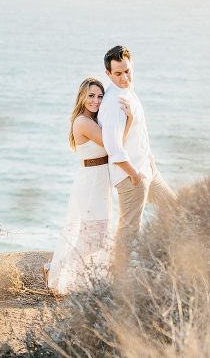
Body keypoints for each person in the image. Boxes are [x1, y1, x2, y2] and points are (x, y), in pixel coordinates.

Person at [46, 77, 134, 294]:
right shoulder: (83, 122)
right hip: (91, 182)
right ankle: (55, 271)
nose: (96, 101)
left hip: (99, 180)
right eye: (91, 96)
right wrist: (130, 120)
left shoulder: (95, 121)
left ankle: (57, 271)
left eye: (100, 96)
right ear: (82, 97)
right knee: (95, 237)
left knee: (95, 234)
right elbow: (114, 145)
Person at [97, 45, 178, 273]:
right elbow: (113, 146)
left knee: (176, 210)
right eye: (118, 73)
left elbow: (137, 135)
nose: (125, 77)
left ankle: (169, 264)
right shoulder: (114, 102)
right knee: (129, 231)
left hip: (147, 169)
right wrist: (134, 174)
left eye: (128, 71)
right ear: (108, 74)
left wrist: (150, 163)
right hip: (132, 175)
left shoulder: (128, 91)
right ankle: (118, 284)